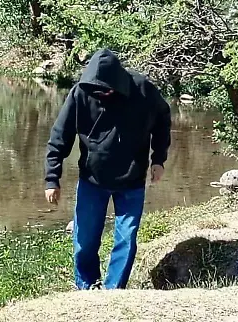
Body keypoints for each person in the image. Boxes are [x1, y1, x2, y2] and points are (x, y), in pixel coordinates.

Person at [44, 49, 171, 290]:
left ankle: (114, 291)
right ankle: (87, 285)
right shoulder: (81, 92)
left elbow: (163, 120)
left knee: (126, 240)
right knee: (84, 241)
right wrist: (52, 178)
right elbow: (60, 136)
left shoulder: (143, 90)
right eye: (97, 90)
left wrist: (158, 159)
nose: (101, 94)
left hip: (132, 181)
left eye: (106, 90)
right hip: (92, 180)